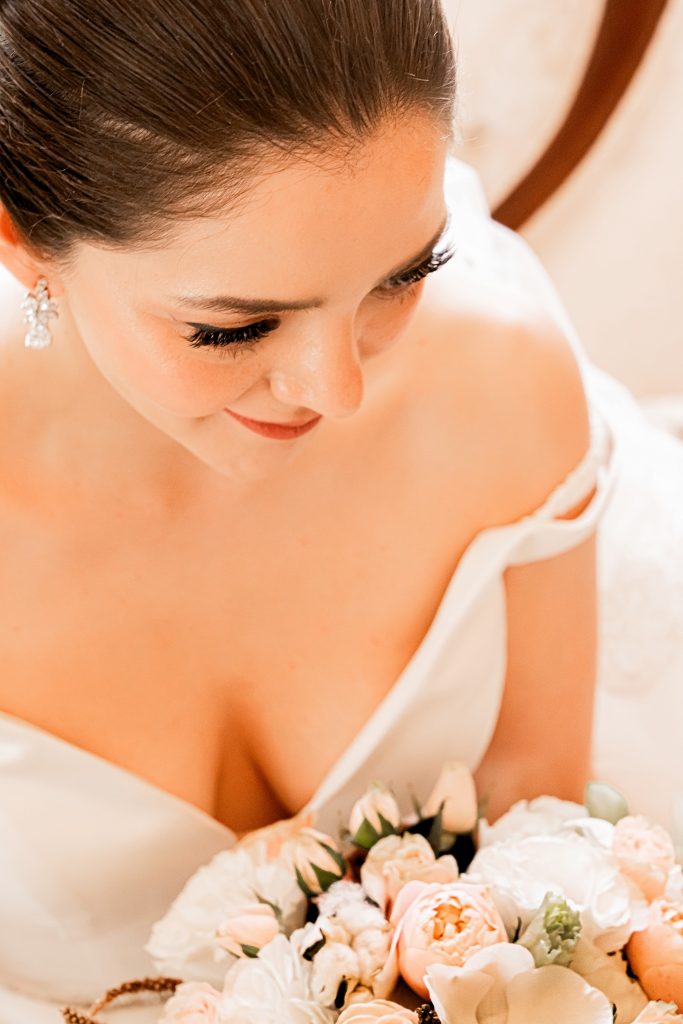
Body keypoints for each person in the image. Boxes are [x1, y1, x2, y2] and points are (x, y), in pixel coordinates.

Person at [0, 2, 681, 1021]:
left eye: (402, 275)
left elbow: (544, 833)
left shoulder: (496, 379)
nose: (336, 389)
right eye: (233, 329)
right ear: (23, 240)